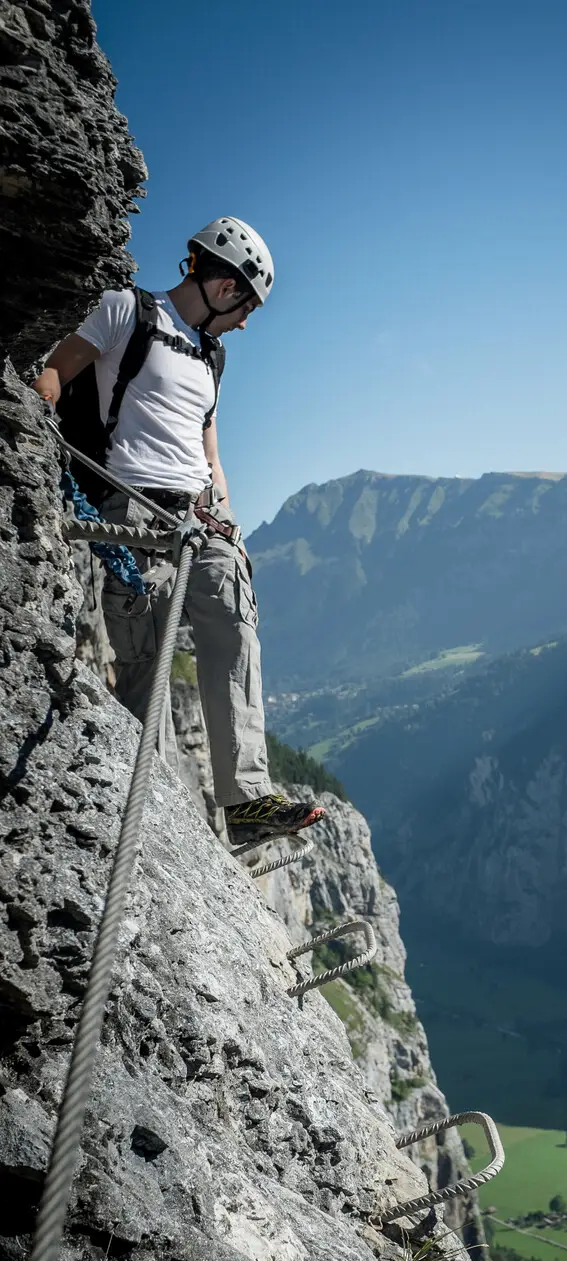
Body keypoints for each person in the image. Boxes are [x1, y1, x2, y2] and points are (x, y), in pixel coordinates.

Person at [32, 217, 324, 849]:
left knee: (234, 628)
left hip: (197, 519)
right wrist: (38, 431)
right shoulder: (125, 312)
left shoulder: (212, 358)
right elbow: (57, 372)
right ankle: (146, 809)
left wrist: (231, 522)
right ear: (224, 287)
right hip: (130, 512)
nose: (244, 322)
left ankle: (245, 799)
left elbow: (209, 453)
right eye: (245, 306)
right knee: (143, 667)